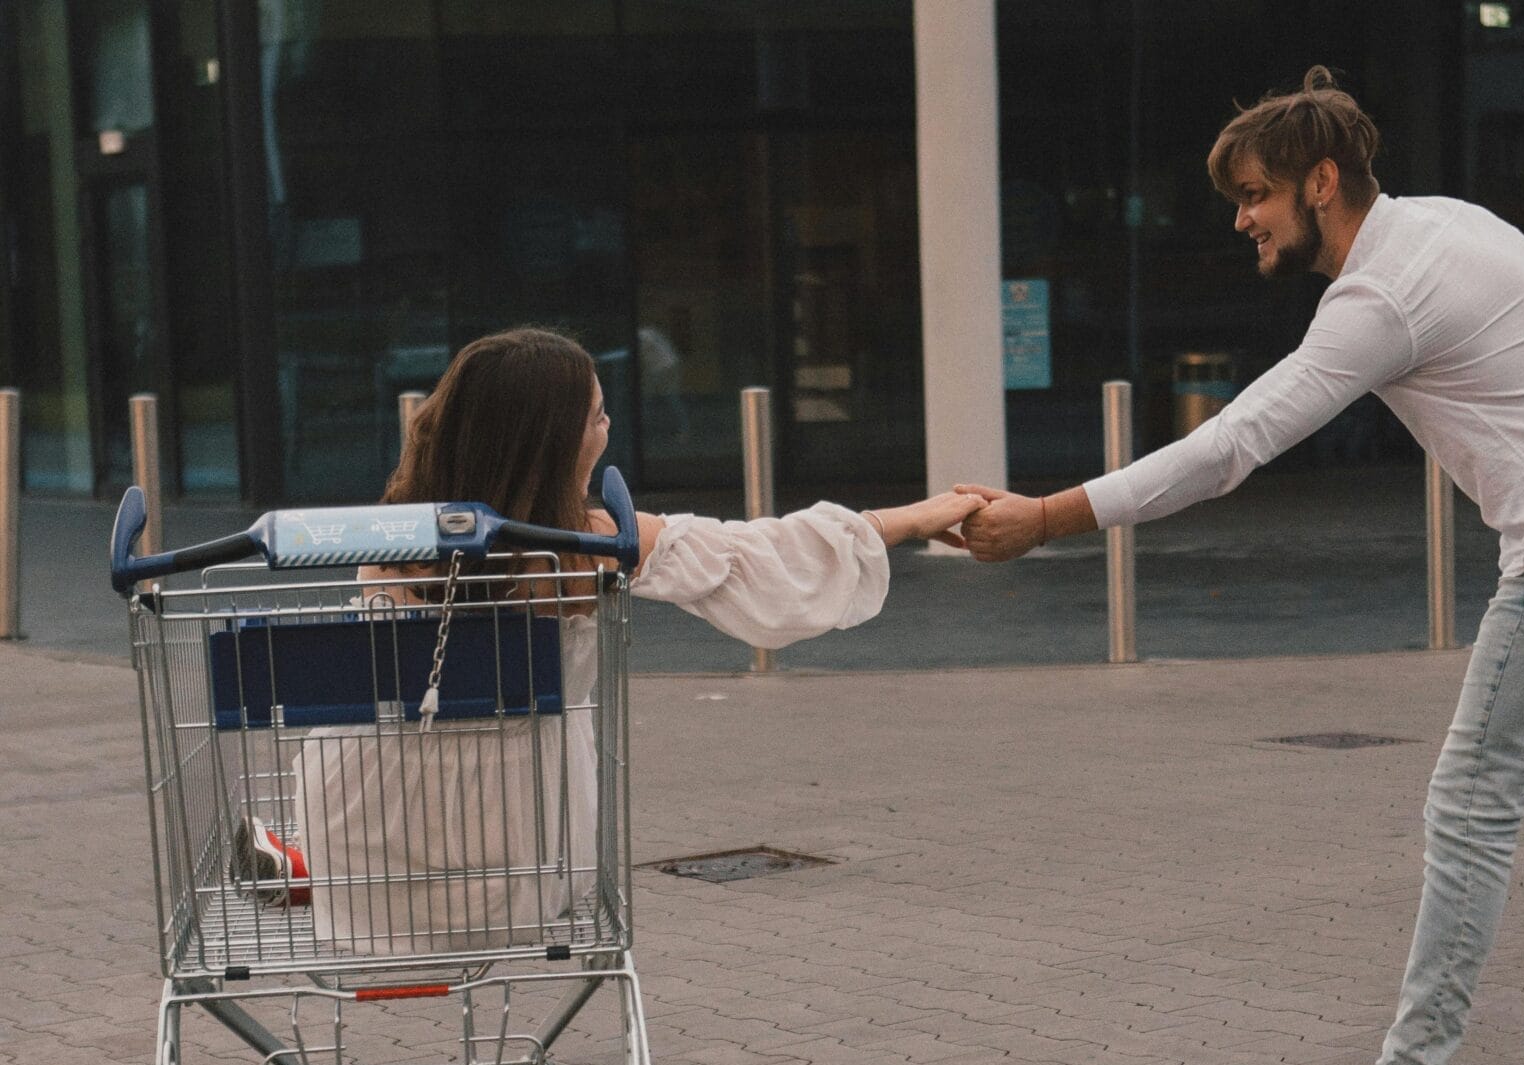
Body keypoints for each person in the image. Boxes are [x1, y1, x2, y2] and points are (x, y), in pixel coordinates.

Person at [958, 68, 1524, 1065]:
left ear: (1320, 182)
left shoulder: (1379, 297)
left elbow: (1232, 446)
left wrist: (1045, 516)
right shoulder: (1449, 225)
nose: (1242, 220)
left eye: (1255, 194)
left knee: (1470, 810)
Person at [240, 327, 981, 954]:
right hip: (527, 866)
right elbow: (761, 553)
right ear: (554, 440)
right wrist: (917, 517)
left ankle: (304, 865)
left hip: (363, 866)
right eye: (595, 416)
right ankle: (305, 864)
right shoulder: (585, 546)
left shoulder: (389, 535)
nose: (607, 428)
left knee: (395, 770)